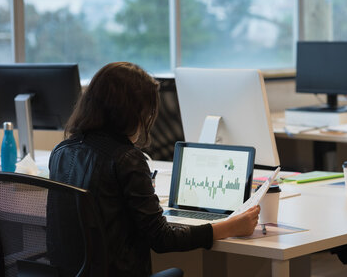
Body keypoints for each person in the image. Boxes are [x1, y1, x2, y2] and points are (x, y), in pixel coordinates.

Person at [48, 62, 260, 276]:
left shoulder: (61, 151)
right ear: (131, 112)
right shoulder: (126, 159)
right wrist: (230, 227)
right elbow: (161, 238)